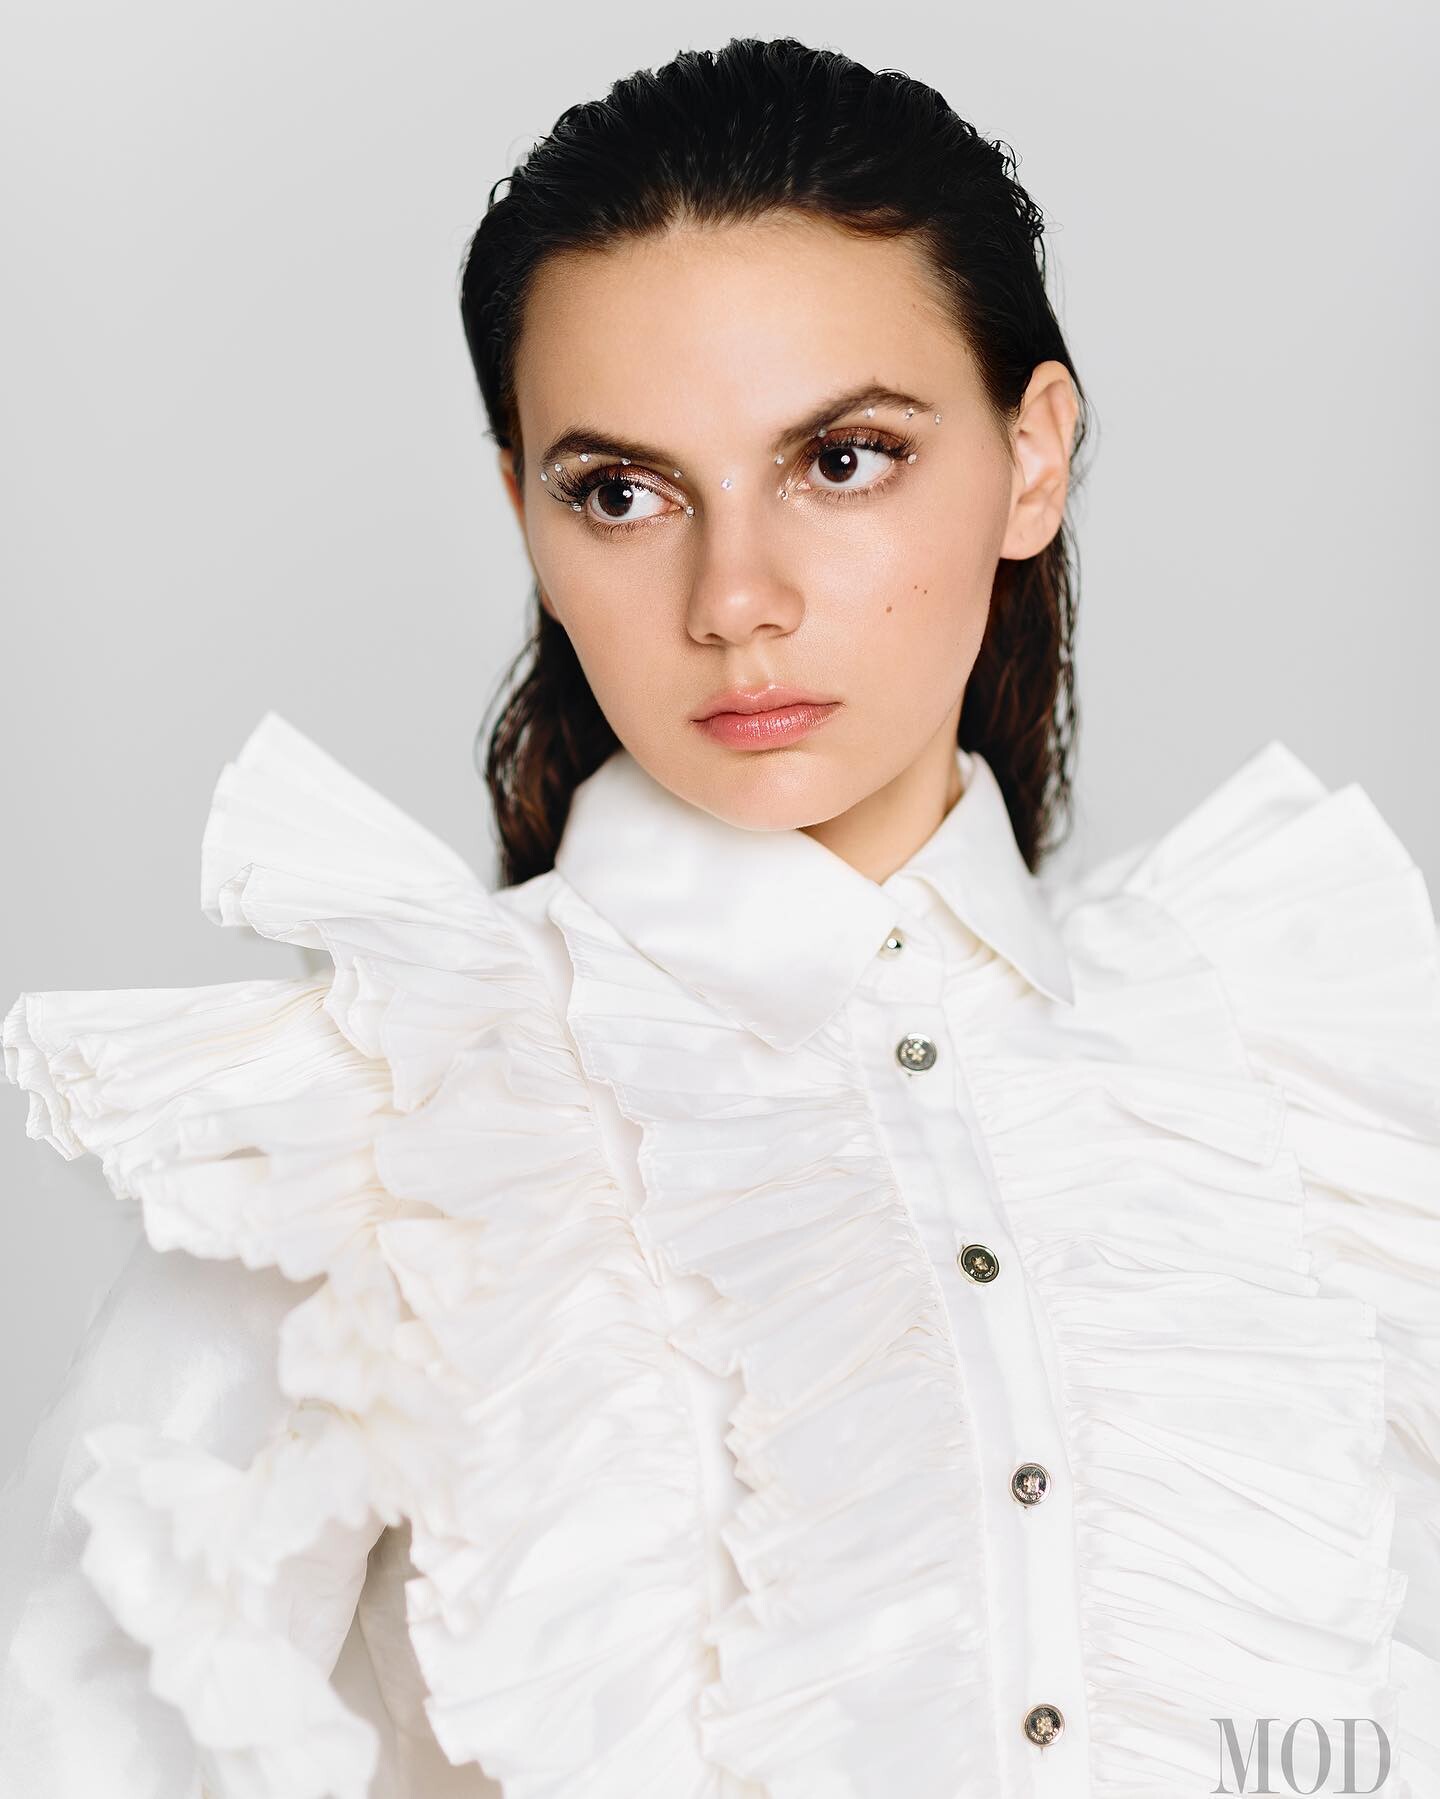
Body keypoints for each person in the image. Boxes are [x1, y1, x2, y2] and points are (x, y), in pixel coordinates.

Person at [2, 33, 1436, 1799]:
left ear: (1034, 456)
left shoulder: (1283, 1071)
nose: (734, 600)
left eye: (843, 459)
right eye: (622, 492)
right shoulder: (379, 1125)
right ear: (524, 512)